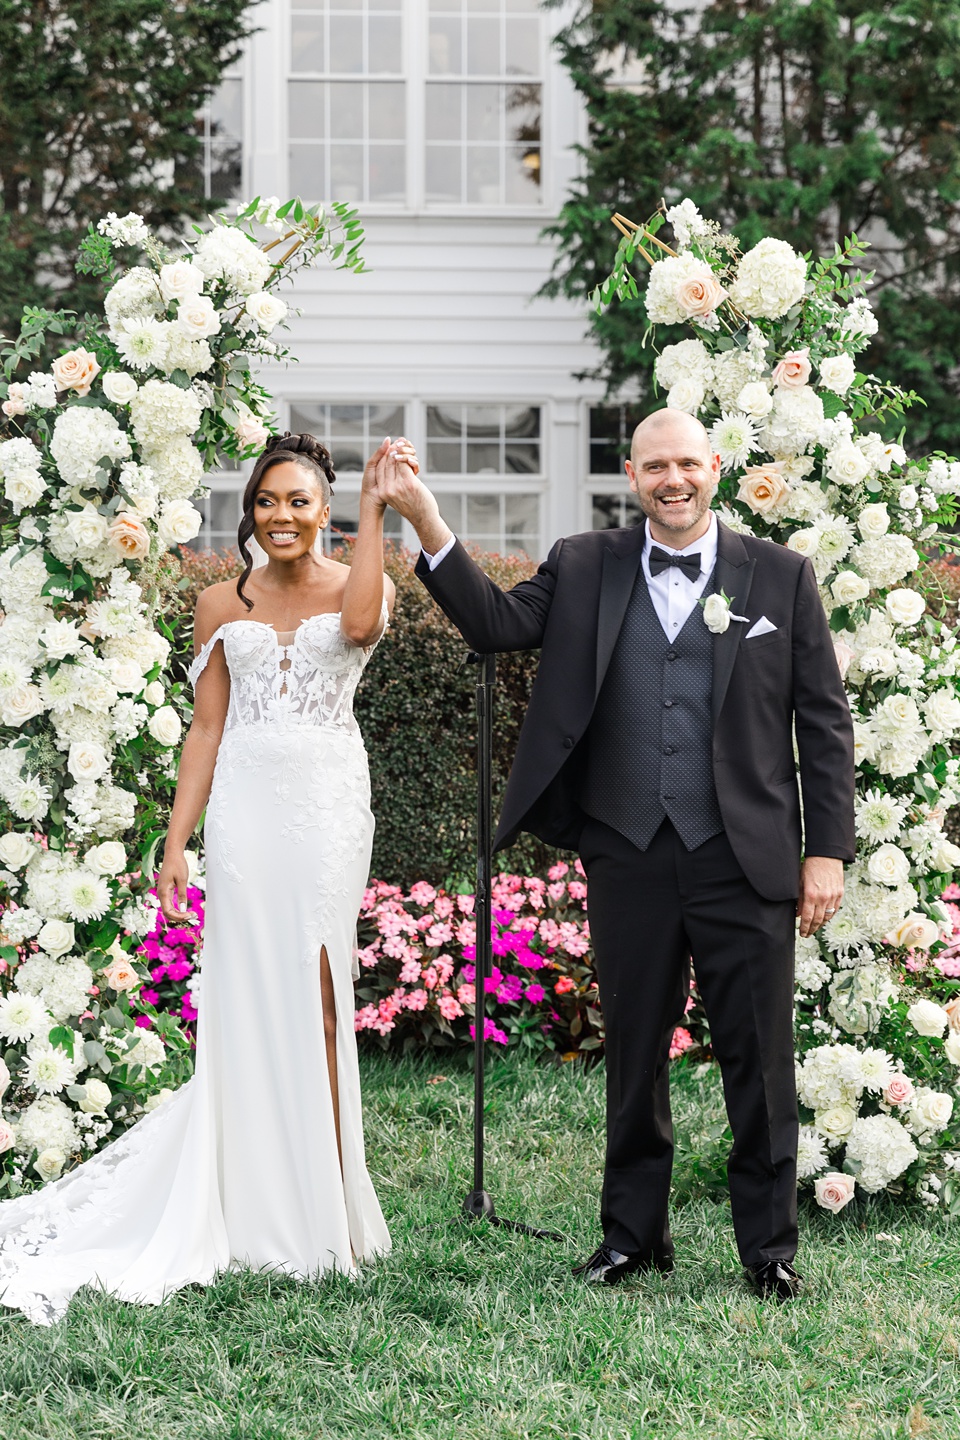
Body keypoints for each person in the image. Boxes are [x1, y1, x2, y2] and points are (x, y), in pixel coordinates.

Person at [374, 409, 855, 1300]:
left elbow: (822, 722)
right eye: (653, 467)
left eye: (687, 465)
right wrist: (425, 518)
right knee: (635, 1053)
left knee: (760, 1057)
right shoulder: (584, 562)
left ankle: (769, 1251)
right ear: (629, 476)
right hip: (627, 847)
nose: (672, 481)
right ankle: (632, 1238)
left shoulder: (781, 578)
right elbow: (493, 625)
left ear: (715, 467)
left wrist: (824, 851)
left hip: (742, 854)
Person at [0, 431, 410, 1325]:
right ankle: (251, 1198)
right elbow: (205, 731)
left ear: (326, 508)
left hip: (328, 810)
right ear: (250, 508)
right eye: (268, 501)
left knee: (322, 990)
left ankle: (329, 1203)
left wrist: (378, 511)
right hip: (245, 814)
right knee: (247, 993)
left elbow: (364, 628)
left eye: (300, 501)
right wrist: (176, 841)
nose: (282, 516)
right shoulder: (217, 602)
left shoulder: (354, 583)